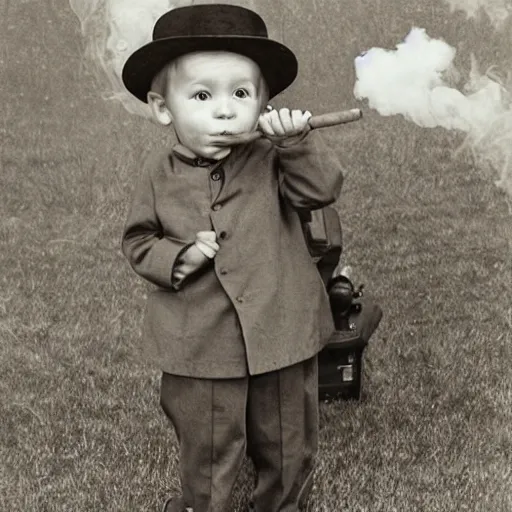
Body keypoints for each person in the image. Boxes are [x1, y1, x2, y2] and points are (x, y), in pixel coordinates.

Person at [120, 4, 344, 511]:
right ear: (162, 107)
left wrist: (298, 144)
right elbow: (138, 241)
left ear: (263, 101)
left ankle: (282, 505)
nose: (225, 111)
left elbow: (320, 191)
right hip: (199, 339)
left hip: (281, 328)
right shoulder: (157, 173)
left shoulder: (274, 154)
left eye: (241, 94)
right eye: (202, 95)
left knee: (288, 441)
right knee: (209, 445)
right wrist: (180, 255)